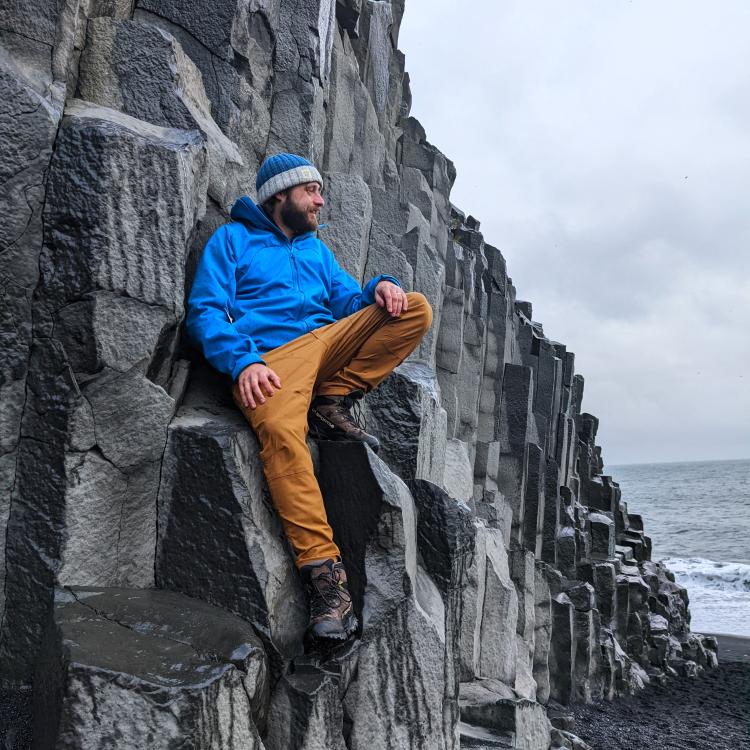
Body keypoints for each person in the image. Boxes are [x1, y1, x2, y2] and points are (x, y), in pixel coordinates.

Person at [186, 153, 432, 646]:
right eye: (311, 191)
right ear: (281, 195)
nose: (321, 200)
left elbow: (346, 302)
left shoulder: (317, 251)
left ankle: (331, 402)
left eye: (320, 191)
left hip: (324, 355)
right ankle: (327, 583)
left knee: (414, 309)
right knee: (281, 437)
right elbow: (205, 312)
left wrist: (379, 287)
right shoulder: (232, 240)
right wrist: (244, 362)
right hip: (272, 361)